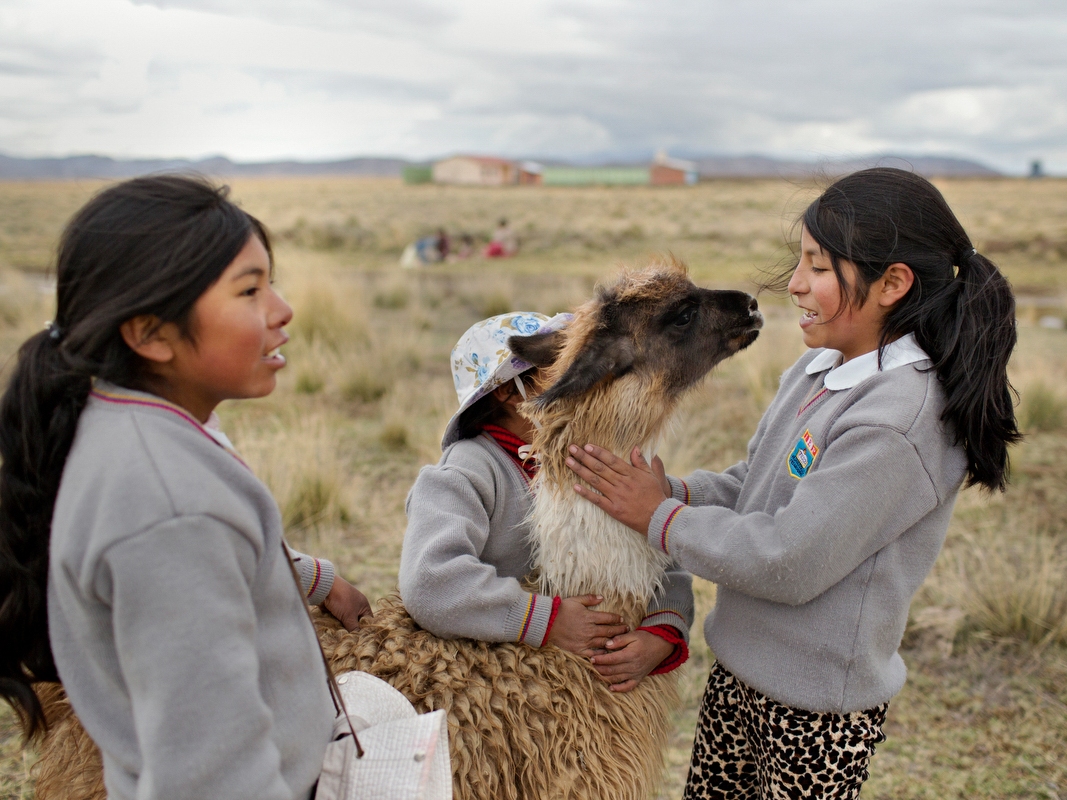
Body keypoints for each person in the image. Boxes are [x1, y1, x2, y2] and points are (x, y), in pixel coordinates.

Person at [564, 168, 1020, 797]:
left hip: (815, 711)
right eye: (799, 261)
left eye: (819, 267)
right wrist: (676, 495)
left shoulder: (897, 420)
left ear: (893, 283)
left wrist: (658, 519)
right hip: (740, 670)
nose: (795, 284)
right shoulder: (817, 369)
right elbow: (757, 486)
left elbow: (789, 560)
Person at [0, 175, 367, 800]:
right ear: (149, 334)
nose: (282, 310)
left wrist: (315, 578)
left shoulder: (134, 427)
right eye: (249, 290)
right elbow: (213, 779)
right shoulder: (170, 506)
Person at [399, 312, 694, 691]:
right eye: (557, 368)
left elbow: (655, 552)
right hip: (501, 687)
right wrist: (544, 620)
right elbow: (430, 581)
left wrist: (660, 632)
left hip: (595, 687)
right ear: (506, 392)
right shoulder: (466, 474)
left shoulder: (592, 458)